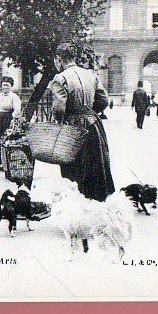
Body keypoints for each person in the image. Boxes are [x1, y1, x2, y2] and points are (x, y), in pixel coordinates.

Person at [49, 43, 115, 202]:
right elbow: (103, 100)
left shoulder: (60, 78)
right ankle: (94, 204)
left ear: (59, 59)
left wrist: (61, 122)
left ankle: (76, 209)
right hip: (93, 124)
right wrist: (89, 112)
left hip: (72, 127)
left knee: (73, 168)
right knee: (95, 165)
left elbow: (59, 109)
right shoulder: (91, 75)